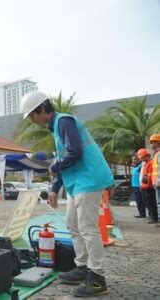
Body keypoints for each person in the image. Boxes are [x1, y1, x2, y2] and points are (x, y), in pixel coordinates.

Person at [21, 91, 114, 297]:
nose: (32, 120)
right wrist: (55, 188)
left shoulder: (63, 121)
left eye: (32, 115)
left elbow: (75, 152)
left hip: (89, 180)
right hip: (78, 182)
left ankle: (97, 278)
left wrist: (55, 166)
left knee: (88, 228)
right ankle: (82, 267)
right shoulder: (56, 127)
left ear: (42, 109)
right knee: (72, 223)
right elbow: (66, 158)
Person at [138, 148, 158, 224]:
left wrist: (147, 185)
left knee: (151, 203)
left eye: (142, 157)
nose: (141, 159)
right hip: (145, 186)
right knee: (147, 203)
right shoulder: (146, 163)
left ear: (146, 155)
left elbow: (149, 176)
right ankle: (150, 216)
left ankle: (154, 218)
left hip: (148, 187)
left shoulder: (150, 162)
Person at [149, 134, 160, 208]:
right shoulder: (157, 154)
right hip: (157, 182)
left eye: (153, 142)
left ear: (158, 142)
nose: (151, 144)